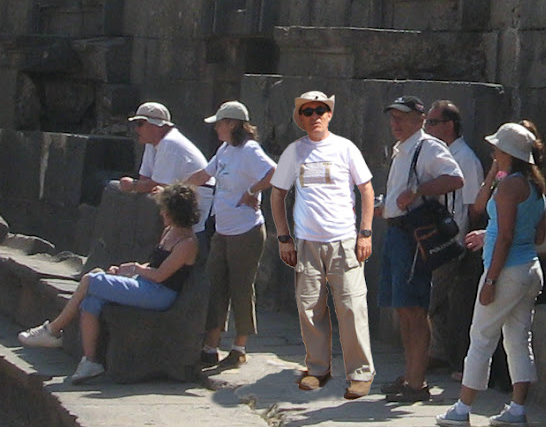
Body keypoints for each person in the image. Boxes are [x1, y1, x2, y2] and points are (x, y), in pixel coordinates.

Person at [18, 183, 199, 384]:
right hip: (146, 284)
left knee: (91, 279)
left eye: (165, 208)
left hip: (159, 294)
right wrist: (124, 269)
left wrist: (135, 268)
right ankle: (90, 362)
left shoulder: (187, 243)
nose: (162, 212)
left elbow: (159, 275)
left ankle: (53, 330)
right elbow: (154, 264)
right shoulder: (170, 231)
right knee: (92, 298)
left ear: (175, 211)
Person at [435, 122, 546, 427]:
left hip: (507, 270)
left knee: (481, 336)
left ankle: (462, 408)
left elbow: (507, 235)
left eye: (497, 148)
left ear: (507, 152)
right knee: (518, 338)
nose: (493, 151)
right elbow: (535, 234)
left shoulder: (509, 186)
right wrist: (490, 233)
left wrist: (491, 279)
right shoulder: (534, 187)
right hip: (530, 269)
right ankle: (517, 408)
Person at [270, 91, 376, 400]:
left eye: (320, 110)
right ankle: (317, 368)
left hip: (343, 239)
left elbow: (366, 190)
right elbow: (278, 195)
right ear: (300, 119)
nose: (314, 116)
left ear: (329, 115)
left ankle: (360, 373)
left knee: (351, 306)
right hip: (307, 242)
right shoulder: (294, 152)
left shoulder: (345, 148)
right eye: (307, 111)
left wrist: (365, 233)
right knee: (310, 306)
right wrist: (284, 237)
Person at [379, 96, 464, 403]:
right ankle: (411, 374)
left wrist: (418, 191)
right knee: (403, 308)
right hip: (396, 232)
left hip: (413, 237)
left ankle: (417, 381)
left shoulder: (428, 147)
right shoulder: (402, 149)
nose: (395, 123)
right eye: (393, 117)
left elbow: (455, 178)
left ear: (420, 119)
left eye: (402, 117)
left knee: (415, 308)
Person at [186, 101, 276, 370]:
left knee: (241, 286)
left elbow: (274, 172)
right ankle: (210, 346)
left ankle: (239, 347)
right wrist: (175, 188)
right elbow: (204, 174)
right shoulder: (225, 150)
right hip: (222, 230)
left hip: (245, 232)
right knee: (215, 285)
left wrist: (251, 192)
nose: (216, 128)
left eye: (220, 123)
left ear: (233, 124)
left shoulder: (249, 151)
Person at [423, 100, 484, 380]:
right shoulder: (439, 154)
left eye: (433, 122)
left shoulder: (466, 160)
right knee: (435, 299)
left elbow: (473, 208)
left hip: (453, 239)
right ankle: (438, 352)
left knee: (442, 299)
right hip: (434, 238)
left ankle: (446, 355)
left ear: (449, 125)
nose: (428, 127)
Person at [119, 101, 214, 250]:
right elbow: (146, 178)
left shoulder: (170, 144)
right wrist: (139, 185)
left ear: (156, 125)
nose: (136, 129)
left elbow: (156, 184)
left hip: (197, 200)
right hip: (177, 199)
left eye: (140, 123)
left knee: (192, 245)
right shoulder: (152, 143)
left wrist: (132, 185)